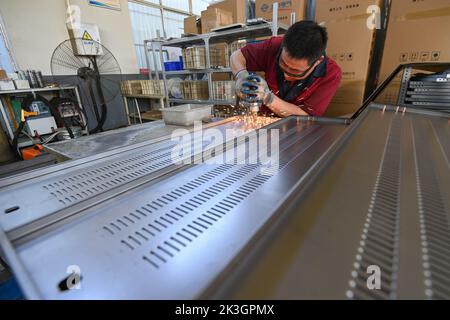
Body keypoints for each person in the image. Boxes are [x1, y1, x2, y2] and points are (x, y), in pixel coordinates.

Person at [230, 20, 342, 117]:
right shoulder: (275, 46)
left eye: (295, 71)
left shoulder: (331, 74)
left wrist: (268, 97)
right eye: (283, 64)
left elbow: (306, 116)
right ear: (283, 45)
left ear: (318, 62)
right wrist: (241, 76)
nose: (286, 75)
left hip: (298, 131)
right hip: (266, 123)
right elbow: (237, 55)